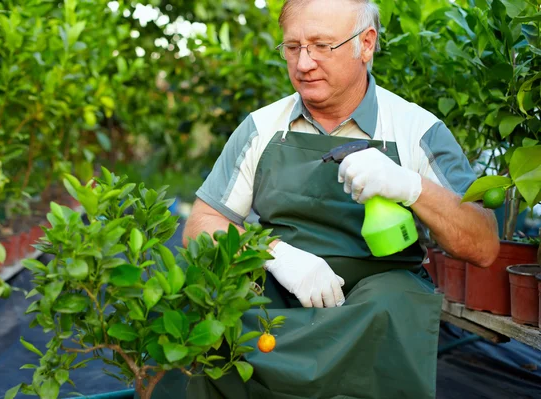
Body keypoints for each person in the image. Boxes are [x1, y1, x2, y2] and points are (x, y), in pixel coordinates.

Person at [154, 0, 500, 398]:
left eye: (322, 46)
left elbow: (485, 245)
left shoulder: (416, 130)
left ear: (366, 44)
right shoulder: (262, 127)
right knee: (207, 303)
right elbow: (200, 225)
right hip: (277, 302)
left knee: (396, 300)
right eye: (292, 47)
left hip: (372, 312)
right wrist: (275, 254)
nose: (303, 63)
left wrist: (411, 187)